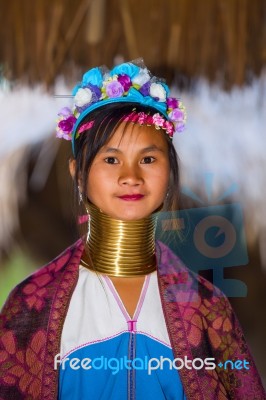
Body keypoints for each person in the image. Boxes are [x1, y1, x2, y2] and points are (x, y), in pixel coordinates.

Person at [0, 59, 265, 400]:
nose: (131, 176)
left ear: (170, 173)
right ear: (78, 174)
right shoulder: (30, 306)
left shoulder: (210, 308)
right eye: (110, 159)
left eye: (148, 159)